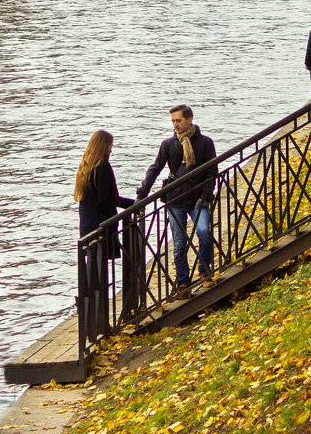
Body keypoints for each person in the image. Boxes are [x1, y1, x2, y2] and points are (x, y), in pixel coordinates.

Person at [138, 105, 218, 298]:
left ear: (189, 120)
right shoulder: (169, 144)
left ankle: (205, 272)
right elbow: (155, 168)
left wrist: (206, 195)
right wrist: (142, 193)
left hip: (199, 197)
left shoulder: (205, 143)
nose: (175, 125)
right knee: (180, 242)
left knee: (204, 231)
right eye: (173, 121)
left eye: (178, 120)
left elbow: (211, 172)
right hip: (176, 199)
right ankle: (183, 283)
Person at [76, 129, 134, 257]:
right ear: (103, 146)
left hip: (87, 225)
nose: (111, 150)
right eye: (110, 146)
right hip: (102, 226)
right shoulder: (103, 167)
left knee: (94, 268)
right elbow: (105, 200)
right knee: (101, 265)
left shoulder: (85, 167)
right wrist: (132, 204)